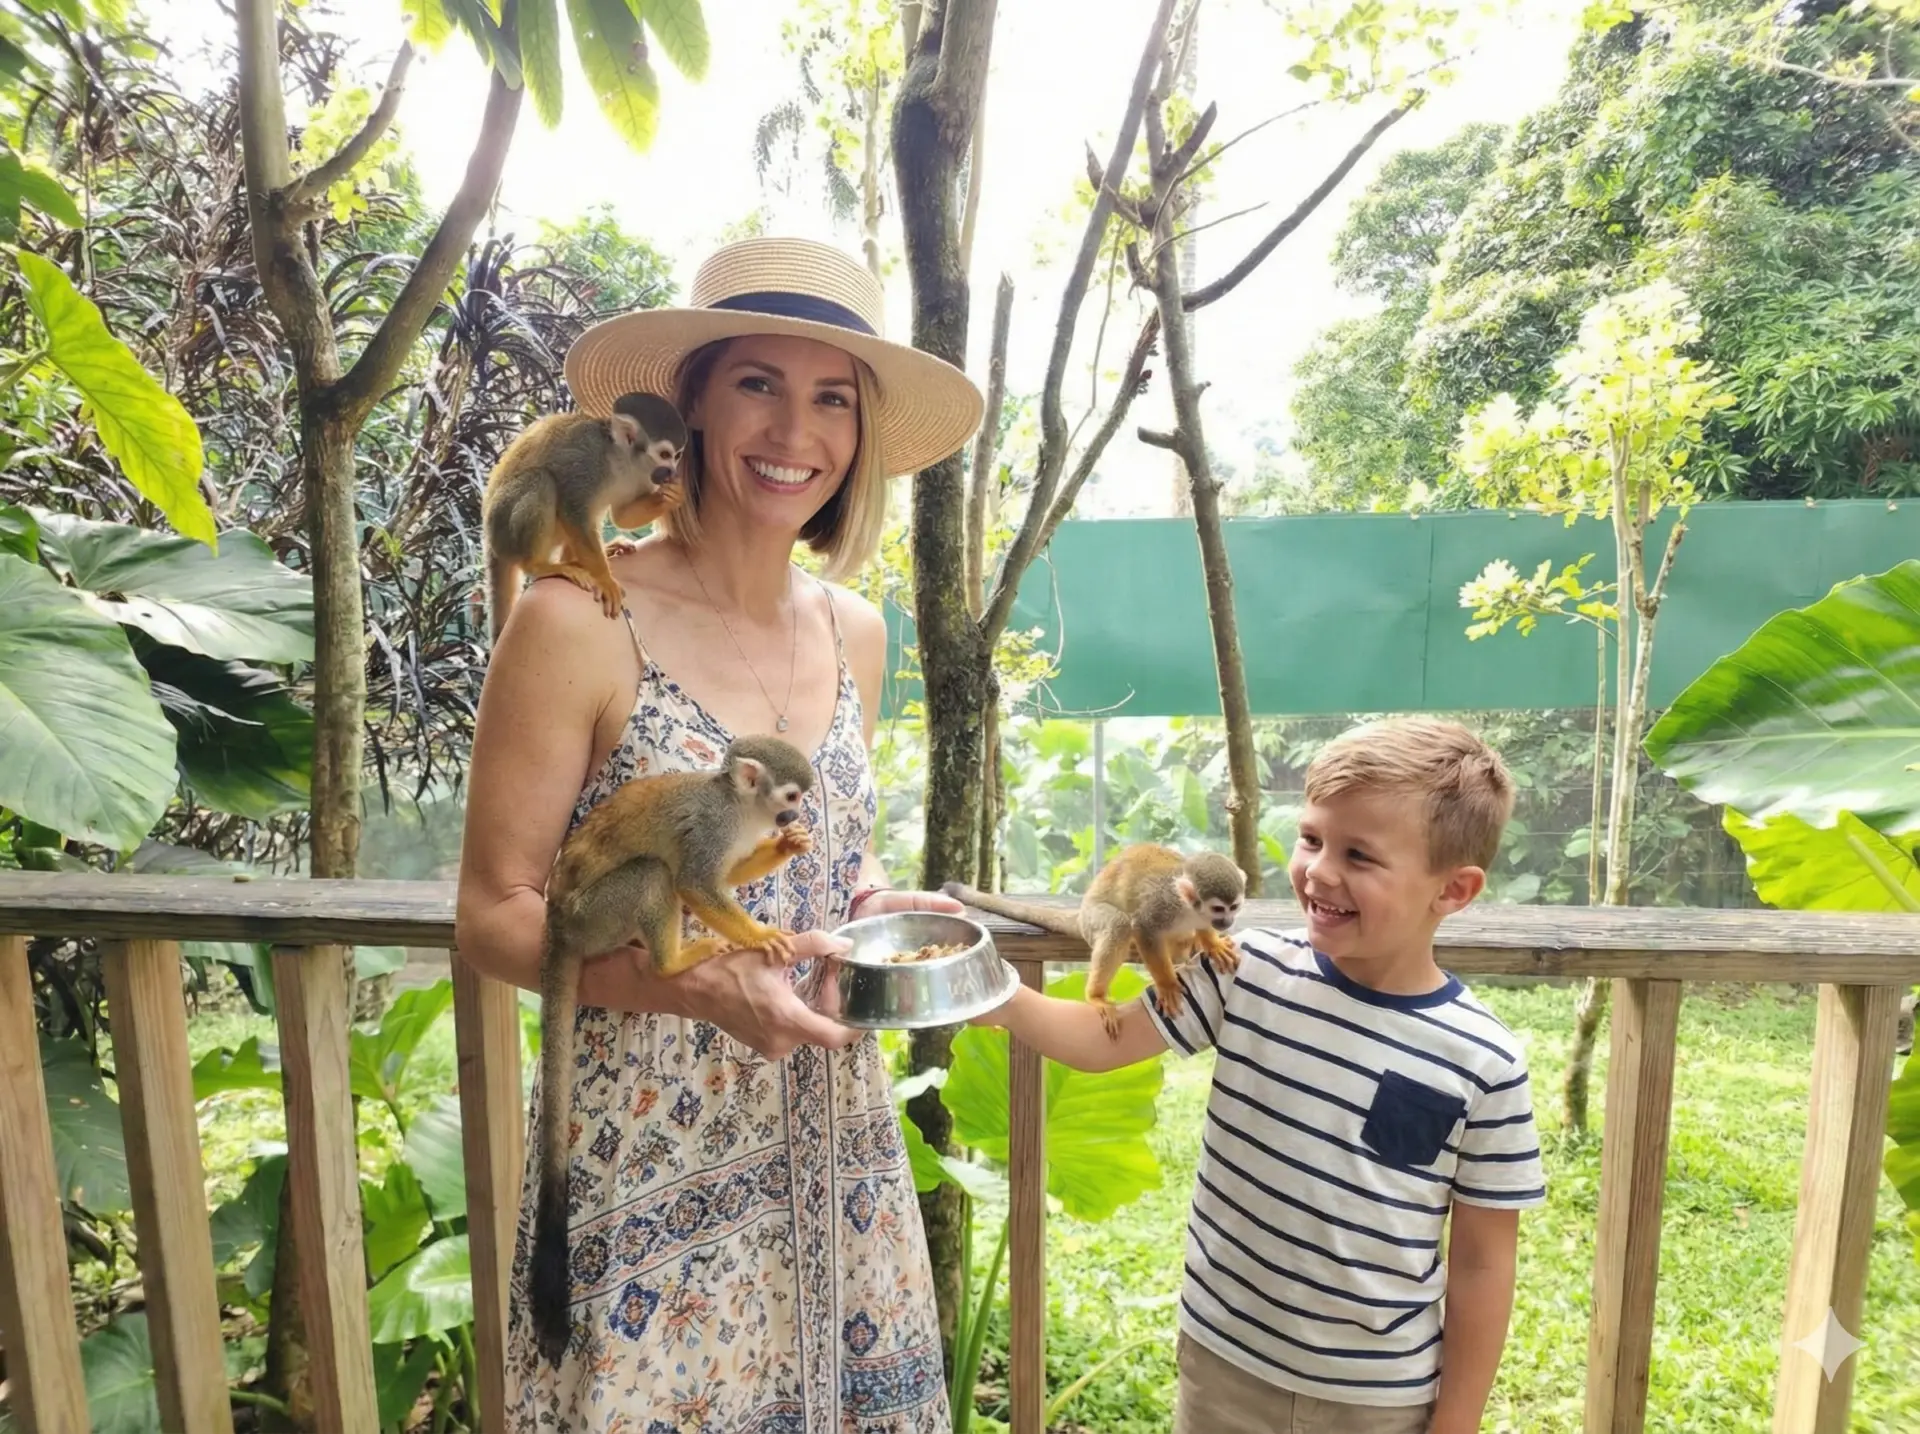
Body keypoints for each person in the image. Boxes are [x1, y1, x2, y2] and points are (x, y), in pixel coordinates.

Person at [455, 235, 986, 1433]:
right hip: (648, 1157)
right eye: (758, 383)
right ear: (690, 402)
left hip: (835, 1153)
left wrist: (876, 905)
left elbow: (822, 849)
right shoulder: (578, 618)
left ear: (859, 434)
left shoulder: (856, 631)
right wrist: (689, 986)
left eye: (832, 398)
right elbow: (491, 915)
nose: (795, 430)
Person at [977, 716, 1548, 1434]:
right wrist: (992, 993)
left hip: (1373, 1395)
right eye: (1311, 839)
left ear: (1454, 890)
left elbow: (1483, 1263)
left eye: (1359, 855)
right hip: (1224, 1360)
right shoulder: (1247, 970)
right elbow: (1103, 1039)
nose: (1319, 871)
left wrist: (1457, 1420)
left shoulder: (1482, 1059)